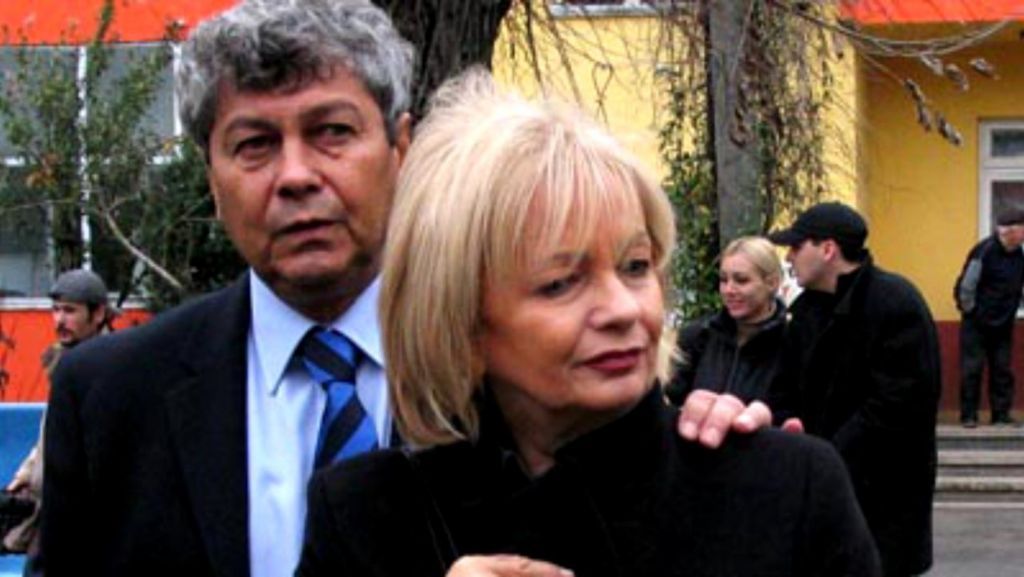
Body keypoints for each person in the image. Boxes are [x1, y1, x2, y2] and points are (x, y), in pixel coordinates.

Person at [41, 2, 766, 576]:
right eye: (255, 144)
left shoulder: (525, 378)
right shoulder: (109, 398)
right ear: (210, 174)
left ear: (402, 146)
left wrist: (705, 436)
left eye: (331, 132)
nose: (295, 176)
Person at [297, 72, 880, 577]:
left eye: (635, 266)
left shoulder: (784, 487)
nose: (623, 309)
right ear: (459, 320)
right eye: (560, 283)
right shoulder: (364, 514)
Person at [768, 201, 941, 577]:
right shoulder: (805, 312)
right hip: (822, 493)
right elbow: (782, 390)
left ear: (828, 249)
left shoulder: (896, 304)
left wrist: (825, 459)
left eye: (797, 246)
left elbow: (897, 407)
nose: (789, 257)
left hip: (884, 501)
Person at [3, 269, 113, 573]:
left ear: (98, 313)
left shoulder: (112, 366)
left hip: (84, 517)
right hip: (51, 509)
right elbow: (51, 432)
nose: (59, 320)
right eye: (55, 310)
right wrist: (26, 476)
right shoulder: (64, 362)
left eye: (70, 311)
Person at [666, 236, 786, 405]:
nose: (729, 290)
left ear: (772, 283)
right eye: (723, 280)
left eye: (741, 280)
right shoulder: (698, 337)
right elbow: (668, 399)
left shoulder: (793, 345)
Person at [954, 209, 1024, 427]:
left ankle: (1000, 415)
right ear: (1011, 231)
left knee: (1002, 370)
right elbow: (967, 286)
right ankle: (969, 416)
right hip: (977, 323)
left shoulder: (1019, 255)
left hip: (1003, 323)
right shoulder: (984, 251)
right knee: (972, 370)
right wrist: (972, 311)